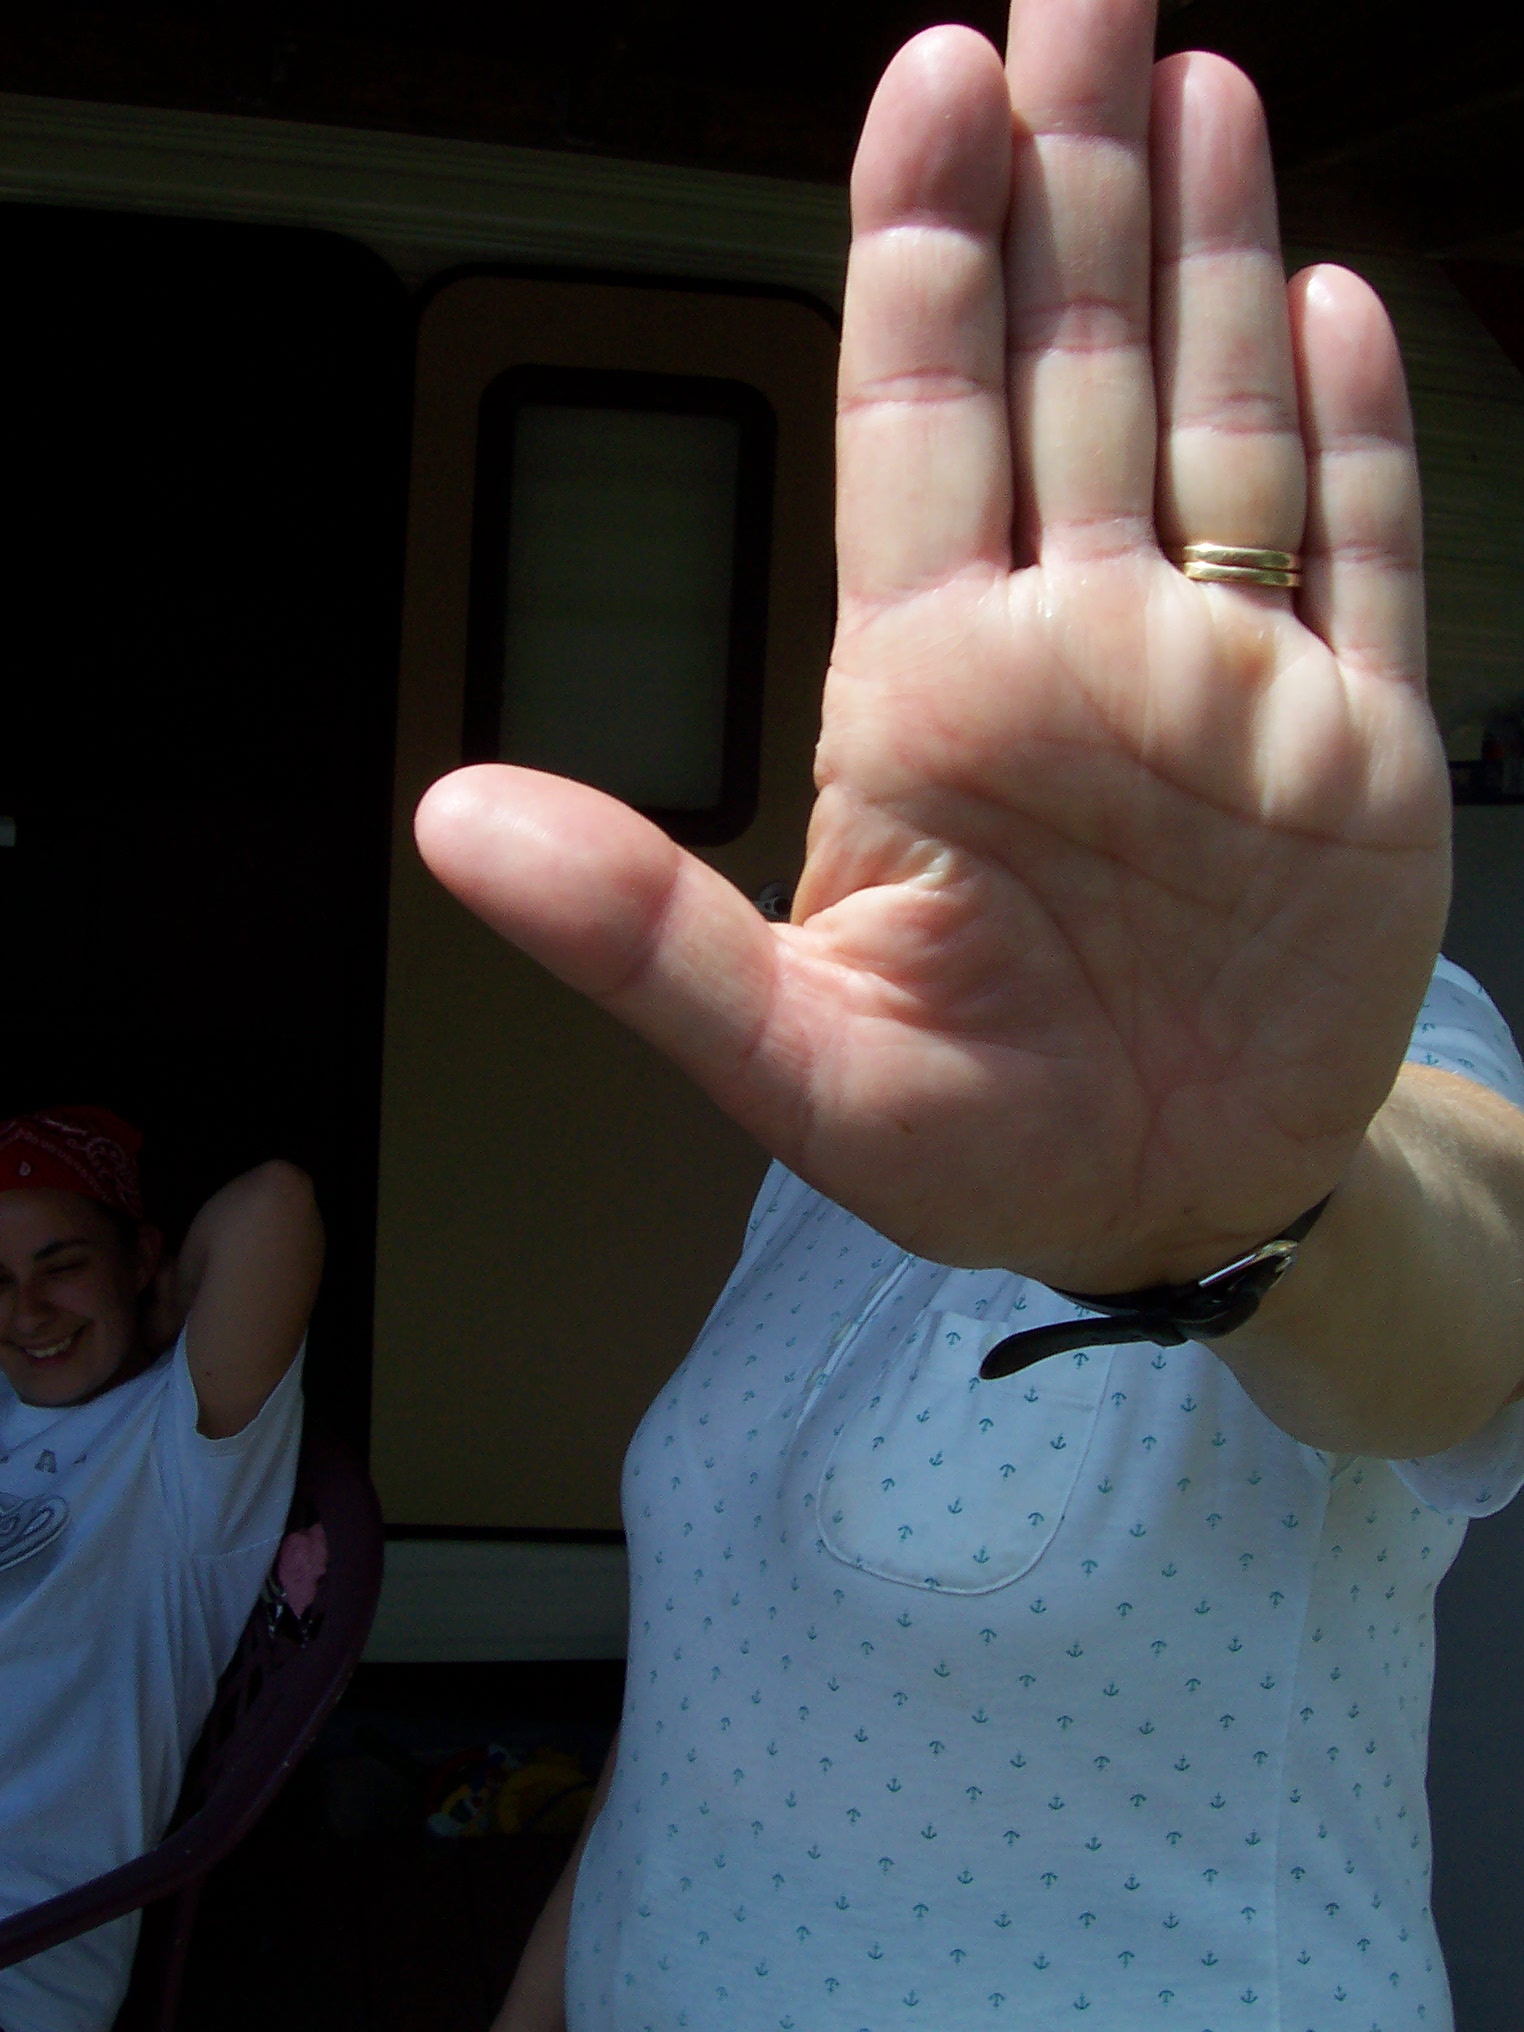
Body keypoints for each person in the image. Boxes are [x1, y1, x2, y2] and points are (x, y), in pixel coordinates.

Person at [415, 0, 1524, 2023]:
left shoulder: (1362, 1064)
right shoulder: (856, 1111)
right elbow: (726, 1689)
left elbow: (1478, 1305)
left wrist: (1245, 1216)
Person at [0, 1106, 321, 2032]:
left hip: (20, 1948)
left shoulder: (177, 1451)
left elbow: (275, 1204)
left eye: (62, 1266)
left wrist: (158, 1308)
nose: (28, 1312)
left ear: (138, 1259)